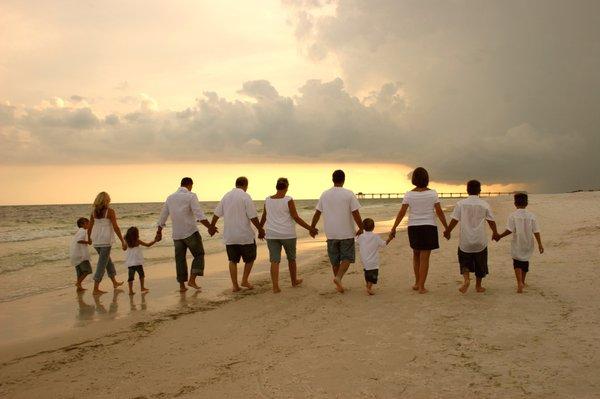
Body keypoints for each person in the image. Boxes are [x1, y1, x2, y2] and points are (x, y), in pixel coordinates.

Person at [389, 167, 448, 294]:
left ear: (414, 179)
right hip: (428, 227)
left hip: (414, 227)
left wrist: (394, 228)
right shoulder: (433, 193)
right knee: (424, 258)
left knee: (416, 255)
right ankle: (421, 286)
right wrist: (446, 227)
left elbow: (401, 212)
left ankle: (417, 283)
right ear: (426, 179)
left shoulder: (409, 194)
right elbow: (439, 212)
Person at [156, 177, 217, 292]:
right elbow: (199, 214)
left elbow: (163, 216)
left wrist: (159, 232)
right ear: (190, 185)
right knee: (199, 254)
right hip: (190, 232)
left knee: (180, 259)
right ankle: (192, 280)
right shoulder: (191, 196)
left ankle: (182, 286)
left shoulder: (170, 198)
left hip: (177, 235)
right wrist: (210, 227)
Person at [259, 177, 318, 293]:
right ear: (286, 187)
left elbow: (264, 216)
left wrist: (260, 229)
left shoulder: (267, 200)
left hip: (272, 235)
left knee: (274, 260)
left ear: (276, 187)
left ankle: (275, 286)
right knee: (291, 258)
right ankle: (294, 281)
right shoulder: (288, 200)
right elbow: (295, 217)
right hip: (288, 234)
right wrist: (310, 228)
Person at [310, 169, 363, 293]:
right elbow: (355, 212)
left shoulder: (325, 194)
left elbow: (317, 213)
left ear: (332, 179)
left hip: (331, 233)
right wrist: (361, 227)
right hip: (346, 232)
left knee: (335, 259)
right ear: (344, 180)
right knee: (347, 257)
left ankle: (338, 284)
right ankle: (338, 278)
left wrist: (312, 227)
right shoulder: (349, 194)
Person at [443, 180, 499, 294]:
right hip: (480, 241)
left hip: (465, 241)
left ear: (467, 190)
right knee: (480, 264)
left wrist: (447, 231)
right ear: (480, 191)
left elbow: (454, 220)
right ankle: (478, 286)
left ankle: (466, 279)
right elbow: (491, 221)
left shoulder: (460, 204)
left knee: (464, 261)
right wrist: (495, 233)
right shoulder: (484, 204)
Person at [210, 177, 265, 292]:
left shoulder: (226, 196)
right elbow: (253, 216)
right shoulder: (245, 196)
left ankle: (235, 286)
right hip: (245, 236)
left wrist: (212, 227)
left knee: (232, 260)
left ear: (236, 184)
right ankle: (244, 280)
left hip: (230, 236)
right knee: (250, 258)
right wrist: (260, 229)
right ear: (245, 185)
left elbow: (216, 214)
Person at [496, 193, 544, 293]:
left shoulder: (512, 216)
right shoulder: (532, 216)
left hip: (517, 242)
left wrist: (500, 236)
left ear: (515, 203)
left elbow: (509, 230)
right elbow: (536, 231)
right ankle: (523, 281)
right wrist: (540, 244)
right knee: (525, 261)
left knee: (517, 262)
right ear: (526, 203)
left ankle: (519, 283)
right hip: (528, 242)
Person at [88, 192, 126, 295]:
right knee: (102, 264)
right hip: (105, 240)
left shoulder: (93, 212)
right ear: (107, 200)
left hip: (96, 240)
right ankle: (95, 288)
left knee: (107, 261)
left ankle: (114, 282)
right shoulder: (110, 211)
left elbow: (90, 227)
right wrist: (122, 240)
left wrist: (89, 239)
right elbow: (115, 227)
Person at [356, 218, 392, 295]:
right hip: (374, 261)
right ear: (373, 227)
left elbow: (355, 239)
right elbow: (384, 244)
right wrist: (390, 238)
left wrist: (358, 232)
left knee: (367, 273)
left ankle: (368, 285)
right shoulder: (376, 237)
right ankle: (369, 287)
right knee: (373, 276)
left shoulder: (361, 237)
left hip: (364, 261)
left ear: (363, 227)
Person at [123, 226, 157, 295]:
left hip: (130, 263)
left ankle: (130, 291)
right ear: (136, 234)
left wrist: (123, 240)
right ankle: (142, 287)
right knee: (141, 275)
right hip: (137, 262)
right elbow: (148, 245)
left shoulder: (127, 241)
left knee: (130, 277)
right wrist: (155, 240)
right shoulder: (137, 241)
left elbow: (124, 248)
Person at [70, 217, 93, 292]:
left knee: (79, 273)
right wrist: (88, 242)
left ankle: (79, 287)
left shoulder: (78, 231)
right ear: (83, 224)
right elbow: (79, 240)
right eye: (88, 223)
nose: (89, 225)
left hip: (75, 254)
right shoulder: (83, 231)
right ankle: (78, 283)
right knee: (87, 270)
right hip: (81, 255)